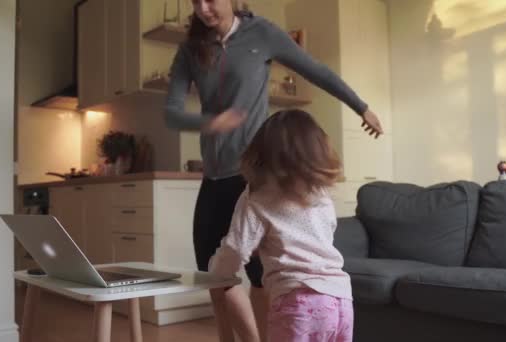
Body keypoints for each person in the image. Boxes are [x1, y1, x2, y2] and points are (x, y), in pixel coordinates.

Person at [164, 0, 382, 340]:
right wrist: (212, 121)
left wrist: (361, 107)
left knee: (259, 272)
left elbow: (316, 71)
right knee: (214, 273)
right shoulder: (191, 49)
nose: (204, 8)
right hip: (215, 175)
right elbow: (172, 113)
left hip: (256, 173)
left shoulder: (261, 33)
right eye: (196, 1)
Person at [209, 109, 354, 342]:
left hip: (297, 302)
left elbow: (236, 249)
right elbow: (326, 231)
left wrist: (216, 270)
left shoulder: (256, 196)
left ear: (259, 153)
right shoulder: (321, 192)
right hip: (341, 299)